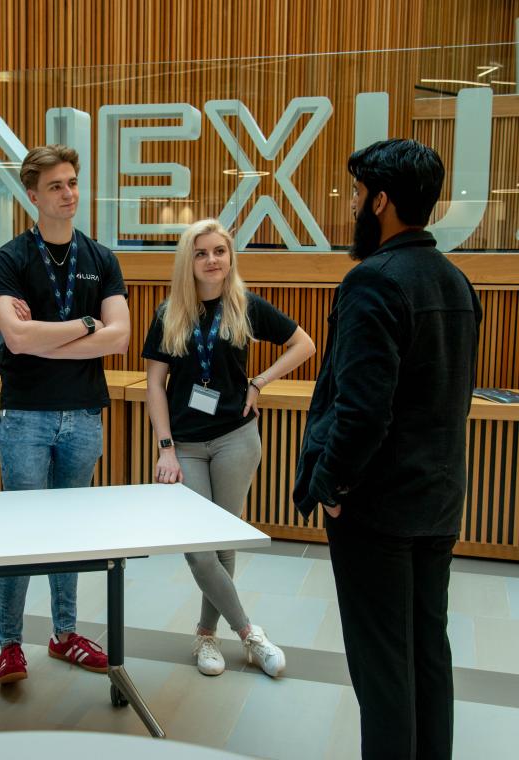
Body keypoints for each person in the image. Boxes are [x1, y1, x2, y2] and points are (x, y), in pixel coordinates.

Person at [293, 139, 482, 759]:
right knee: (428, 648)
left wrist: (334, 486)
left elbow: (363, 409)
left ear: (380, 201)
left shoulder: (372, 281)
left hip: (377, 506)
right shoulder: (455, 281)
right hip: (438, 499)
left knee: (382, 669)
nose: (350, 204)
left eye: (355, 193)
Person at [142, 218, 315, 677]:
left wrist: (260, 381)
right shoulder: (169, 313)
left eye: (219, 251)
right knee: (199, 548)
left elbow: (304, 344)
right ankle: (249, 633)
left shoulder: (245, 305)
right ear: (188, 261)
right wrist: (165, 448)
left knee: (224, 539)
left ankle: (205, 636)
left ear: (229, 256)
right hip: (186, 444)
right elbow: (155, 386)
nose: (212, 260)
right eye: (201, 253)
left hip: (237, 438)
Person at [0, 144, 130, 684]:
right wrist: (87, 327)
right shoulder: (10, 258)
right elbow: (14, 337)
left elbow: (119, 340)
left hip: (84, 415)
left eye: (72, 182)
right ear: (32, 196)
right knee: (21, 534)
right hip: (26, 414)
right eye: (55, 186)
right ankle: (9, 645)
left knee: (69, 532)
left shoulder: (101, 258)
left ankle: (64, 634)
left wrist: (45, 338)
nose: (69, 194)